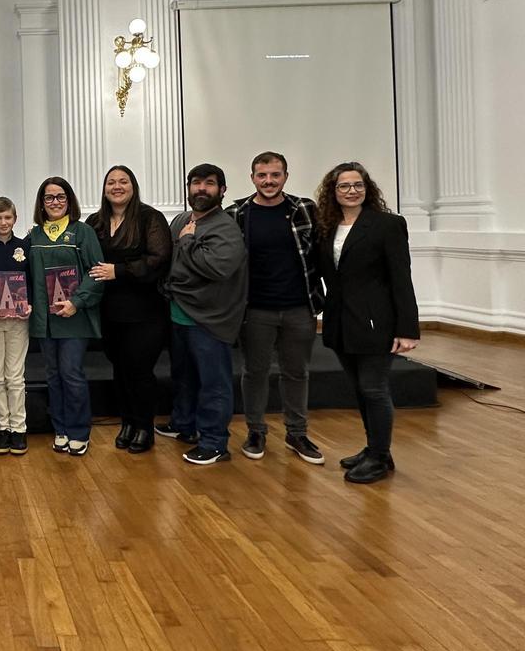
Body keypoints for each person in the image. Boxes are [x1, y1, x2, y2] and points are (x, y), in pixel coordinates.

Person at [315, 161, 420, 484]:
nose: (351, 191)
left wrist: (407, 328)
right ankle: (376, 449)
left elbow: (401, 278)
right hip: (341, 322)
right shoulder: (326, 226)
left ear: (367, 188)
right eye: (344, 186)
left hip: (377, 323)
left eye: (357, 185)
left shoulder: (388, 225)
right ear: (333, 192)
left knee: (374, 388)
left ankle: (377, 456)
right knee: (360, 389)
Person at [226, 151, 325, 465]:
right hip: (254, 309)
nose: (268, 181)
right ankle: (256, 431)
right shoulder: (237, 213)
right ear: (252, 177)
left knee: (296, 373)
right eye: (262, 175)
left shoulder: (305, 209)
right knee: (254, 373)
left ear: (285, 176)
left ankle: (297, 433)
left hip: (299, 307)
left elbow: (322, 255)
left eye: (275, 175)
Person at [158, 164, 248, 466]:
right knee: (183, 376)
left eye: (209, 184)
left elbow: (218, 267)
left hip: (209, 319)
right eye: (196, 183)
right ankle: (184, 424)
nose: (201, 189)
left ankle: (214, 442)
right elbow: (170, 262)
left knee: (213, 383)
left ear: (222, 190)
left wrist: (187, 241)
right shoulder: (182, 220)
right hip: (179, 313)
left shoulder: (226, 227)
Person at [87, 165, 172, 454]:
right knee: (120, 370)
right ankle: (127, 423)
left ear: (133, 186)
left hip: (144, 311)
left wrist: (119, 271)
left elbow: (159, 259)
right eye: (111, 182)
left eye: (123, 181)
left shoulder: (150, 217)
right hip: (109, 310)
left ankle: (144, 427)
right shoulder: (95, 222)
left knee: (139, 371)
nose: (117, 186)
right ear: (104, 188)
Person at [26, 177, 104, 456]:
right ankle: (60, 429)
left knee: (72, 374)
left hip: (74, 318)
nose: (55, 202)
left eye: (60, 197)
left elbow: (97, 273)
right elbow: (18, 270)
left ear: (69, 200)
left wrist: (76, 302)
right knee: (53, 375)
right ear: (41, 203)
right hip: (45, 321)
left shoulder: (83, 232)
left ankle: (78, 431)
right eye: (49, 198)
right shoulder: (34, 236)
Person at [0, 197, 31, 456]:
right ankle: (1, 427)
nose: (3, 222)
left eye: (8, 218)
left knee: (15, 376)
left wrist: (30, 304)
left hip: (18, 322)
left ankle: (19, 428)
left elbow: (31, 280)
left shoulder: (25, 247)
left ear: (15, 218)